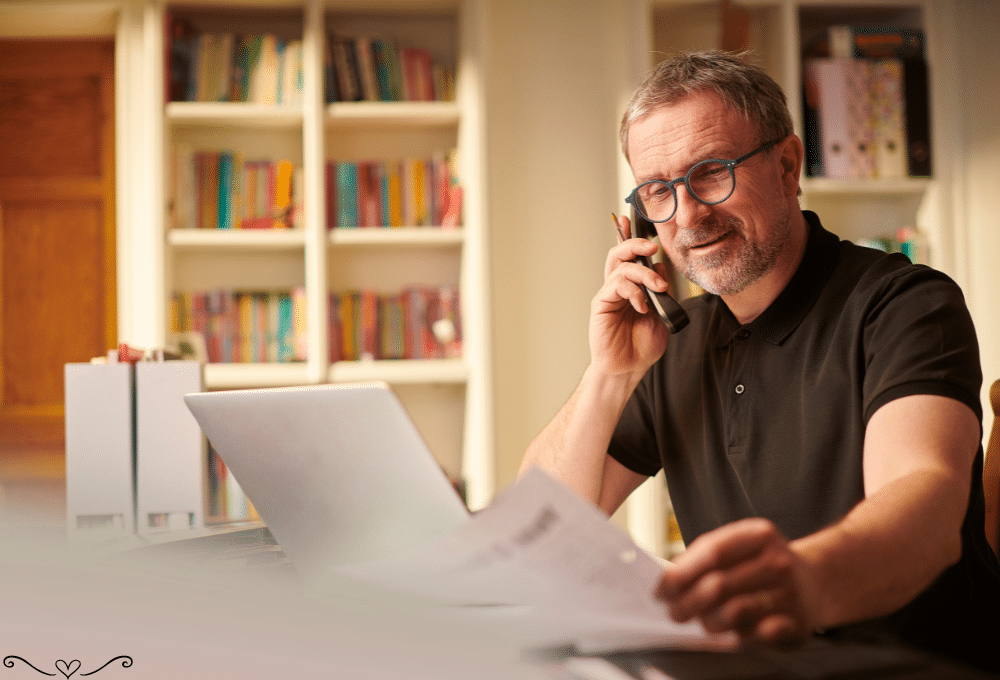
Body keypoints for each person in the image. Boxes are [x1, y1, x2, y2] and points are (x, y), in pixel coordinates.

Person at [519, 50, 1000, 671]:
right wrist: (610, 374)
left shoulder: (903, 304)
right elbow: (536, 524)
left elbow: (925, 505)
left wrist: (804, 583)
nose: (688, 215)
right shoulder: (672, 345)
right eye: (658, 192)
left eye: (712, 173)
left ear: (787, 166)